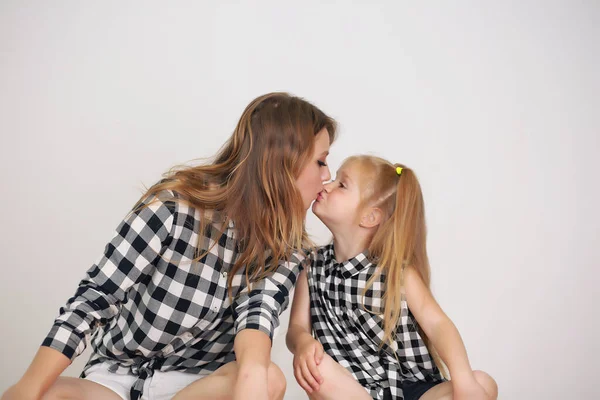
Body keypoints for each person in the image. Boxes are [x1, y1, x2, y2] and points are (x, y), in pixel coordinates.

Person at [2, 92, 336, 400]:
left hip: (193, 388)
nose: (327, 175)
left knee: (269, 378)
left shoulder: (288, 252)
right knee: (42, 393)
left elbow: (254, 332)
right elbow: (95, 299)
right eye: (321, 161)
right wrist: (27, 390)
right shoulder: (173, 206)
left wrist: (254, 381)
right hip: (116, 380)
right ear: (284, 162)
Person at [287, 155, 498, 400]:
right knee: (317, 367)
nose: (327, 185)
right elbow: (297, 327)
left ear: (370, 217)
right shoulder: (312, 267)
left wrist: (463, 380)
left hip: (411, 389)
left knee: (482, 382)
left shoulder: (397, 272)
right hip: (353, 391)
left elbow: (439, 325)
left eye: (341, 185)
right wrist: (302, 343)